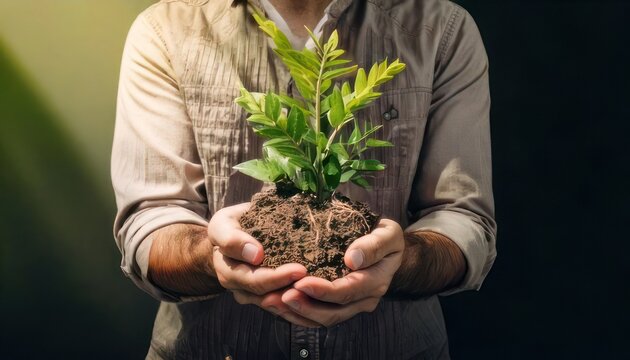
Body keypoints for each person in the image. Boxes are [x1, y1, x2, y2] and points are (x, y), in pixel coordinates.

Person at [111, 0, 496, 358]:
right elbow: (149, 222)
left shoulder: (441, 30)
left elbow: (465, 221)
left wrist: (402, 259)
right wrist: (214, 256)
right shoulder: (165, 29)